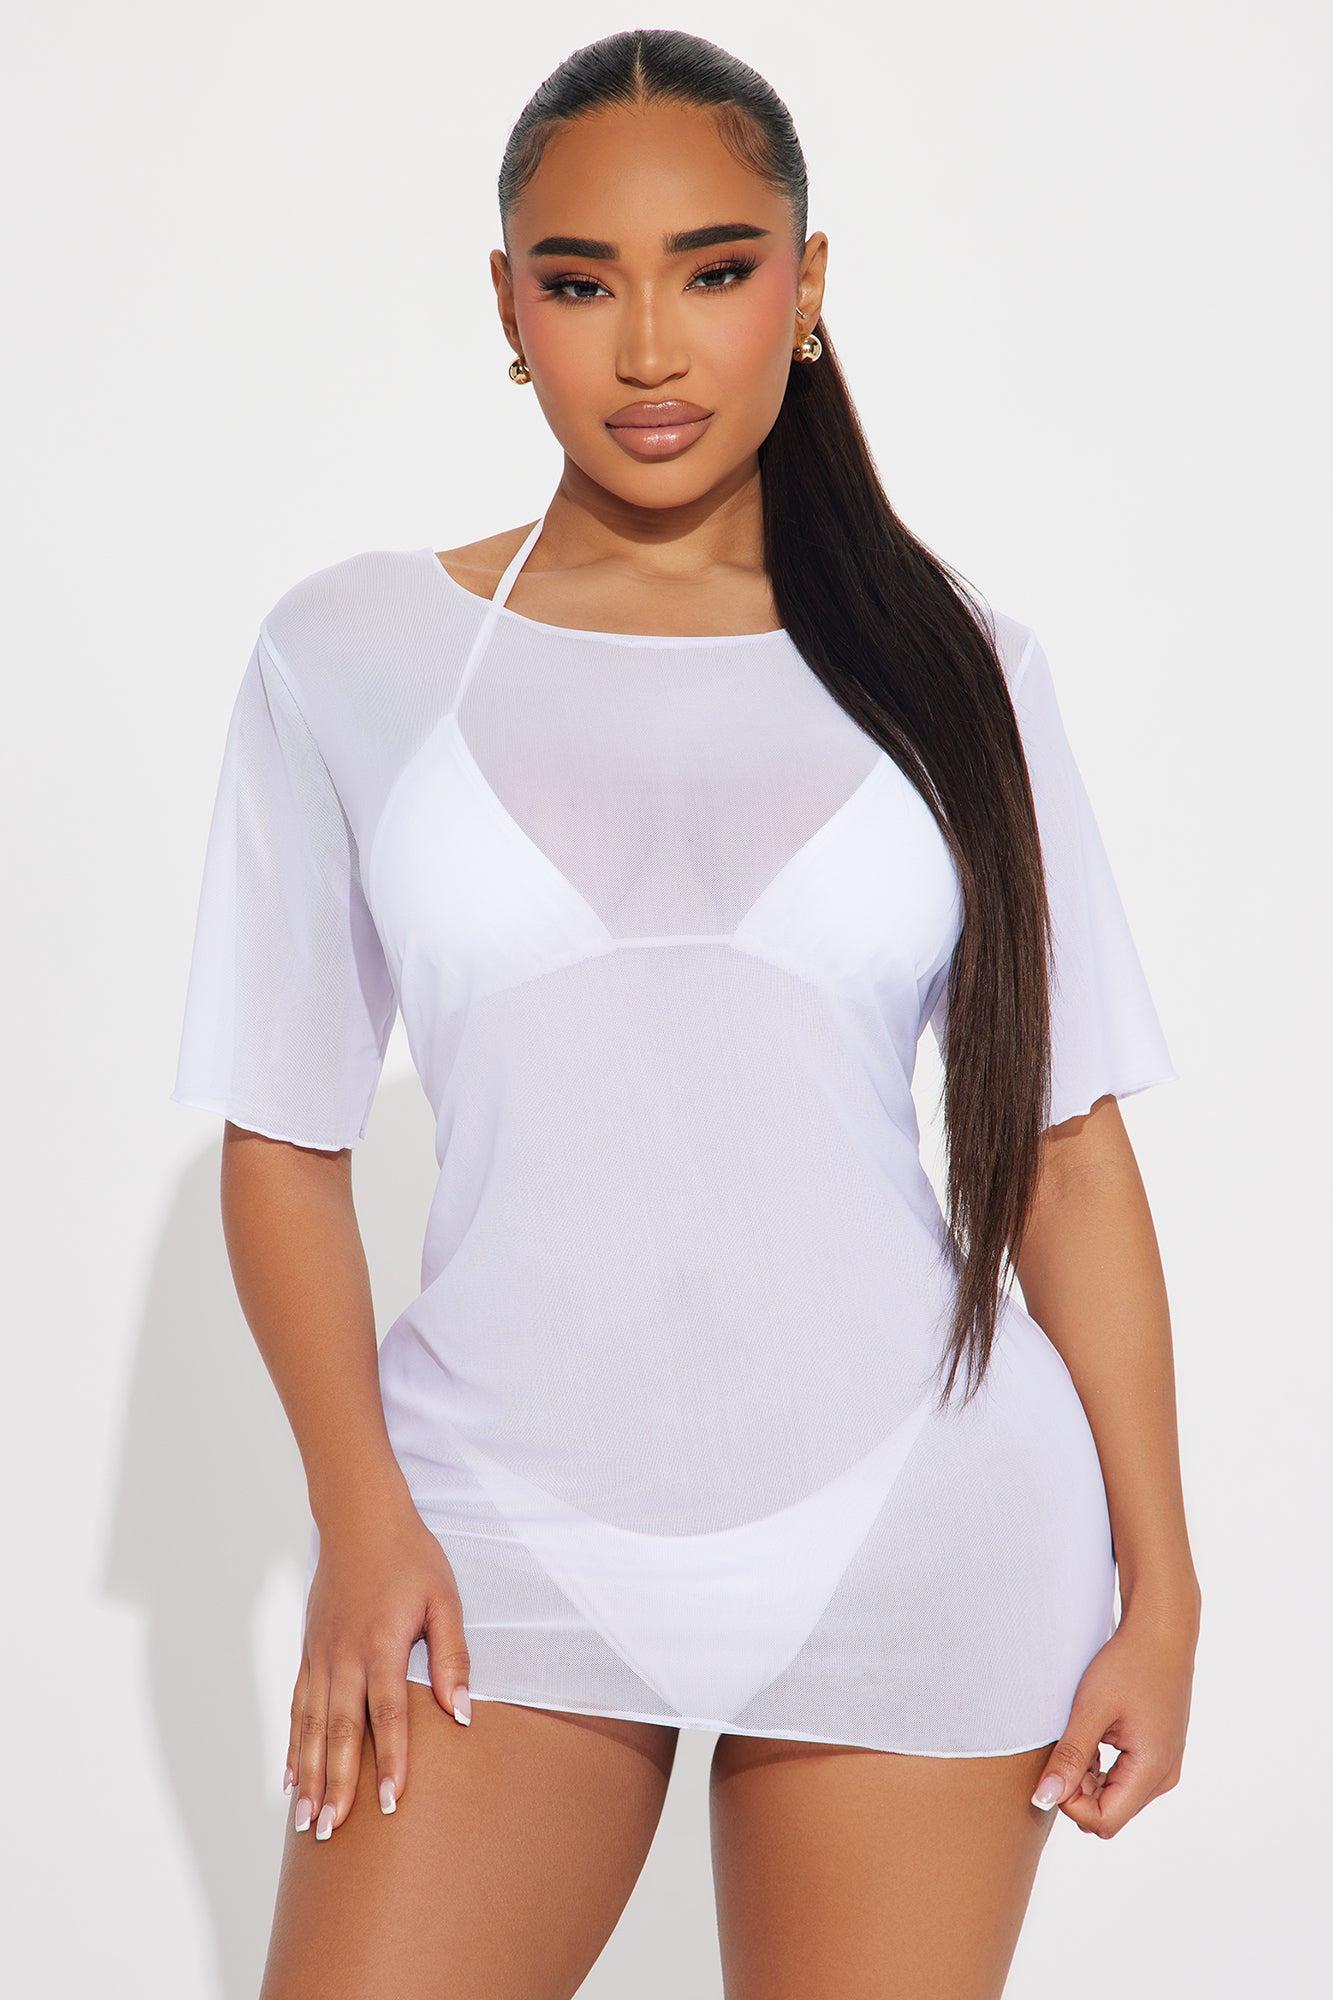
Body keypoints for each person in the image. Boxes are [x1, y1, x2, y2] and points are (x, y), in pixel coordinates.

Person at [170, 28, 1201, 2000]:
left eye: (713, 270)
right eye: (582, 283)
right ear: (507, 306)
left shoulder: (960, 668)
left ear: (805, 284)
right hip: (490, 1533)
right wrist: (359, 1517)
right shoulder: (352, 658)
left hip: (918, 1524)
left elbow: (1065, 1151)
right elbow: (282, 1145)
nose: (648, 347)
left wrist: (1161, 1588)